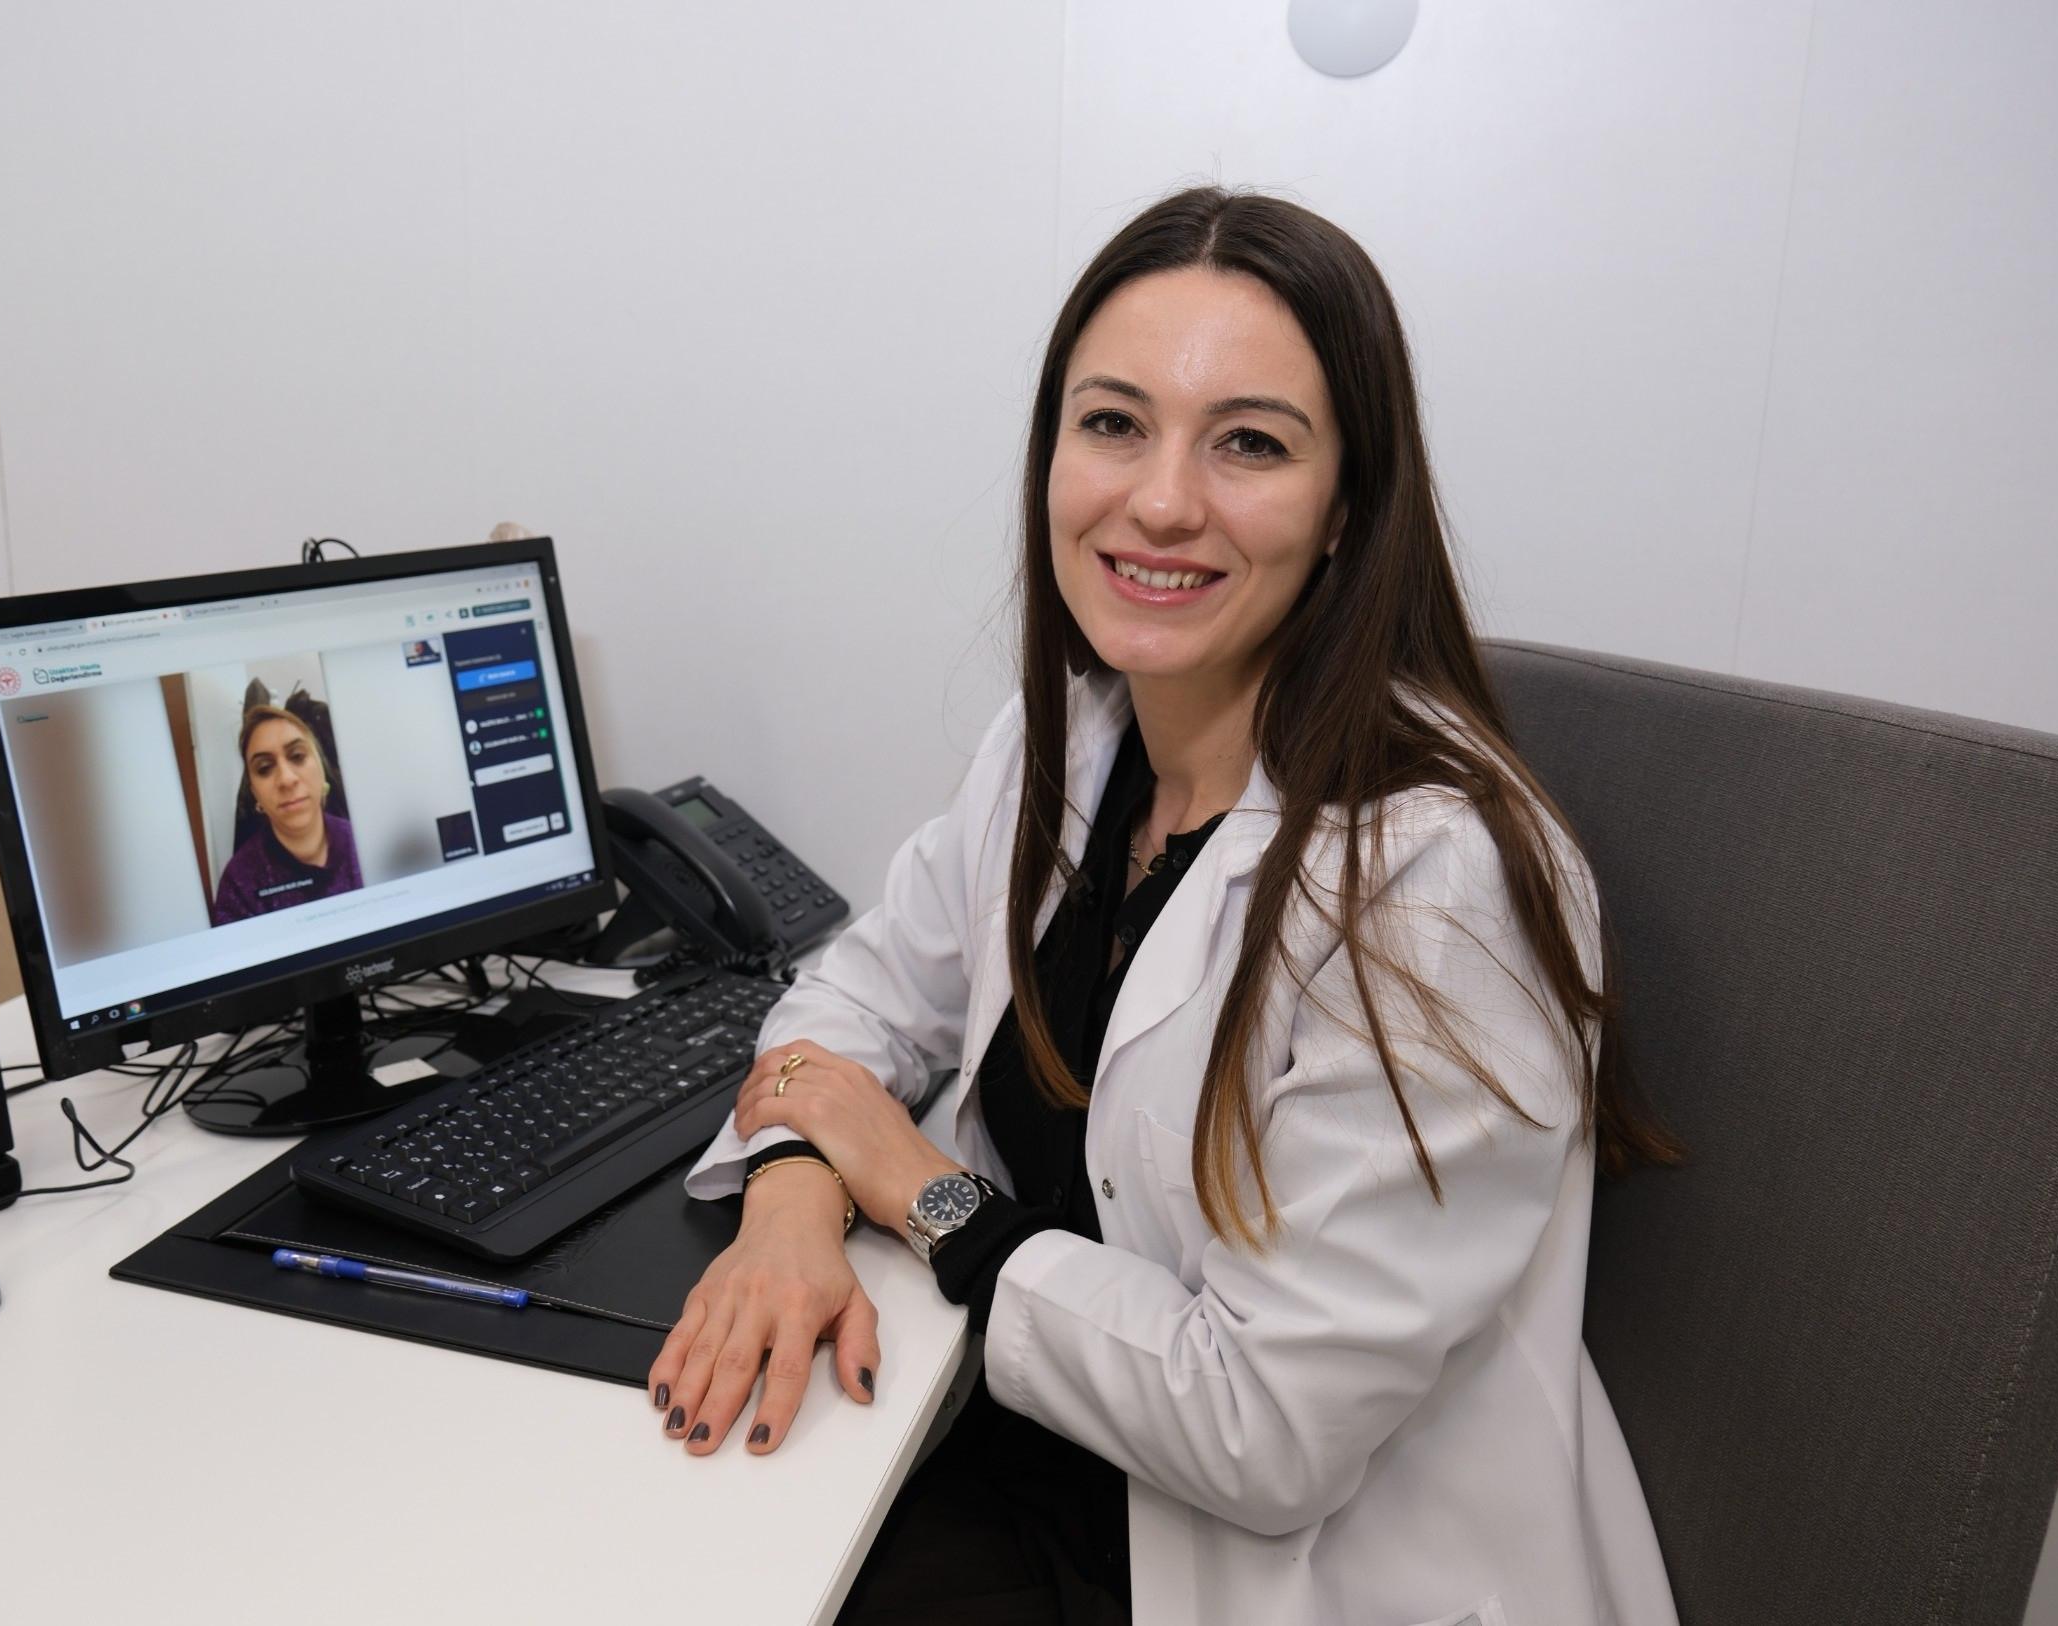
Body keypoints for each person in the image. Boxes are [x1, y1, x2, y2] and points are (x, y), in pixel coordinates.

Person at [650, 188, 1685, 1625]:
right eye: (1114, 423)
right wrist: (791, 1199)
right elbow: (856, 1002)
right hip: (1033, 1460)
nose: (1159, 500)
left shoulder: (1433, 881)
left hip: (1279, 1565)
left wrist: (918, 1188)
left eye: (1248, 442)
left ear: (1347, 508)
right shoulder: (1066, 744)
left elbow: (1263, 1434)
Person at [209, 703, 364, 925]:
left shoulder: (364, 841)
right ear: (255, 793)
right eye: (264, 768)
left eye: (297, 756)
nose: (286, 779)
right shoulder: (239, 882)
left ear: (321, 768)